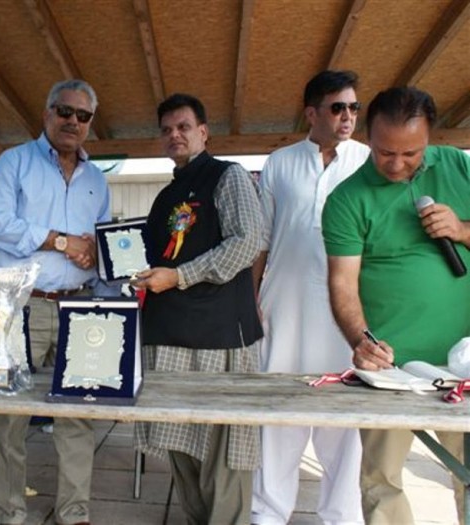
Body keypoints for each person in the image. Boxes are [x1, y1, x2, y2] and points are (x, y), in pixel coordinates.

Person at [322, 86, 470, 524]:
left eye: (413, 153)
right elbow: (343, 284)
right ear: (368, 137)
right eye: (386, 152)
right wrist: (362, 341)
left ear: (431, 138)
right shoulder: (346, 200)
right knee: (381, 480)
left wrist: (462, 229)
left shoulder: (459, 165)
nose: (399, 163)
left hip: (466, 358)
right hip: (393, 369)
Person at [0, 78, 111, 525]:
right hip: (21, 304)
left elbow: (100, 242)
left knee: (79, 415)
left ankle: (73, 513)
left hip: (81, 305)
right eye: (64, 111)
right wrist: (59, 241)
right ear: (46, 114)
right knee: (10, 414)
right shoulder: (14, 162)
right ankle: (11, 513)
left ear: (90, 123)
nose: (72, 121)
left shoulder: (97, 178)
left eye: (83, 115)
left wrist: (101, 251)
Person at [133, 93, 263, 524]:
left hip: (219, 336)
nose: (175, 135)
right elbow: (150, 260)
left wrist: (180, 276)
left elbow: (248, 241)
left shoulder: (228, 176)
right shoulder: (165, 195)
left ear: (203, 132)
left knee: (224, 450)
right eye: (167, 129)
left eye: (184, 126)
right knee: (180, 449)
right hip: (168, 335)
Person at [250, 70, 368, 525]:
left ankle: (342, 516)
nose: (348, 117)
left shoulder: (367, 160)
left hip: (346, 312)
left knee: (343, 421)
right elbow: (261, 239)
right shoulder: (280, 162)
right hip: (284, 304)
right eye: (338, 107)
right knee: (278, 413)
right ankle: (268, 513)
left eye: (354, 108)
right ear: (312, 113)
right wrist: (252, 297)